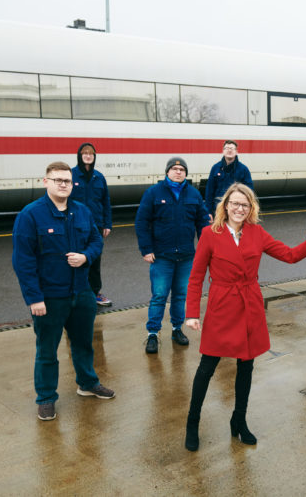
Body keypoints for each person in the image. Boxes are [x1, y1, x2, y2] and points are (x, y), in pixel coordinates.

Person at [183, 183, 306, 451]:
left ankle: (238, 421)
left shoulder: (257, 232)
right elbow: (195, 277)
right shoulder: (209, 233)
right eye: (235, 203)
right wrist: (192, 313)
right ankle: (192, 423)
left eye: (245, 204)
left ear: (251, 208)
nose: (239, 208)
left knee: (246, 366)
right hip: (222, 304)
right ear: (225, 206)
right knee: (207, 366)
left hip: (249, 303)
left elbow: (289, 255)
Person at [12, 162, 115, 422]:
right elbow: (23, 261)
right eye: (57, 180)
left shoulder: (82, 211)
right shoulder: (30, 215)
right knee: (47, 350)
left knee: (83, 344)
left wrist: (85, 256)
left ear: (72, 184)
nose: (63, 184)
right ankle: (46, 398)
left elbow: (95, 240)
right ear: (45, 181)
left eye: (67, 181)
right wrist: (34, 298)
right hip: (49, 297)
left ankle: (87, 383)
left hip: (81, 293)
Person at [135, 157, 211, 354]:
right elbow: (142, 222)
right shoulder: (153, 193)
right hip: (162, 256)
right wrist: (146, 249)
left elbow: (203, 224)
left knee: (180, 296)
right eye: (174, 169)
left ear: (186, 173)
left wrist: (206, 249)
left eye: (181, 169)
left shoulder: (193, 194)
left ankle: (177, 330)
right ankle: (153, 334)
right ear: (167, 172)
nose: (178, 172)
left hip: (186, 257)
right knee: (159, 296)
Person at [69, 142, 113, 306]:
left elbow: (106, 202)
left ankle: (95, 293)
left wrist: (107, 224)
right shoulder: (72, 175)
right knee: (75, 259)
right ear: (79, 156)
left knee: (94, 260)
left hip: (96, 226)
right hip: (76, 226)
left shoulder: (99, 177)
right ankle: (76, 293)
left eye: (91, 153)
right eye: (85, 153)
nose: (88, 156)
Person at [204, 140, 253, 218]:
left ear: (236, 152)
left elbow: (249, 192)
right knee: (219, 229)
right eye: (227, 148)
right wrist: (208, 211)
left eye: (232, 148)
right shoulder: (215, 168)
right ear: (223, 151)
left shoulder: (243, 169)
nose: (229, 150)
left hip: (236, 209)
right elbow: (209, 191)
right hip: (218, 208)